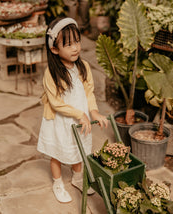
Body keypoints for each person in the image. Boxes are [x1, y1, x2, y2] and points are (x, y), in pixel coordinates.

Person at [37, 17, 108, 203]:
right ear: (54, 49)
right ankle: (57, 182)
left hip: (80, 120)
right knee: (58, 153)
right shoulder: (51, 73)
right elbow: (56, 103)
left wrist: (93, 112)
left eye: (77, 41)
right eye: (68, 44)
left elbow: (89, 93)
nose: (75, 48)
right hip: (60, 121)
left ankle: (77, 177)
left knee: (79, 150)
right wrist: (80, 114)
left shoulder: (83, 67)